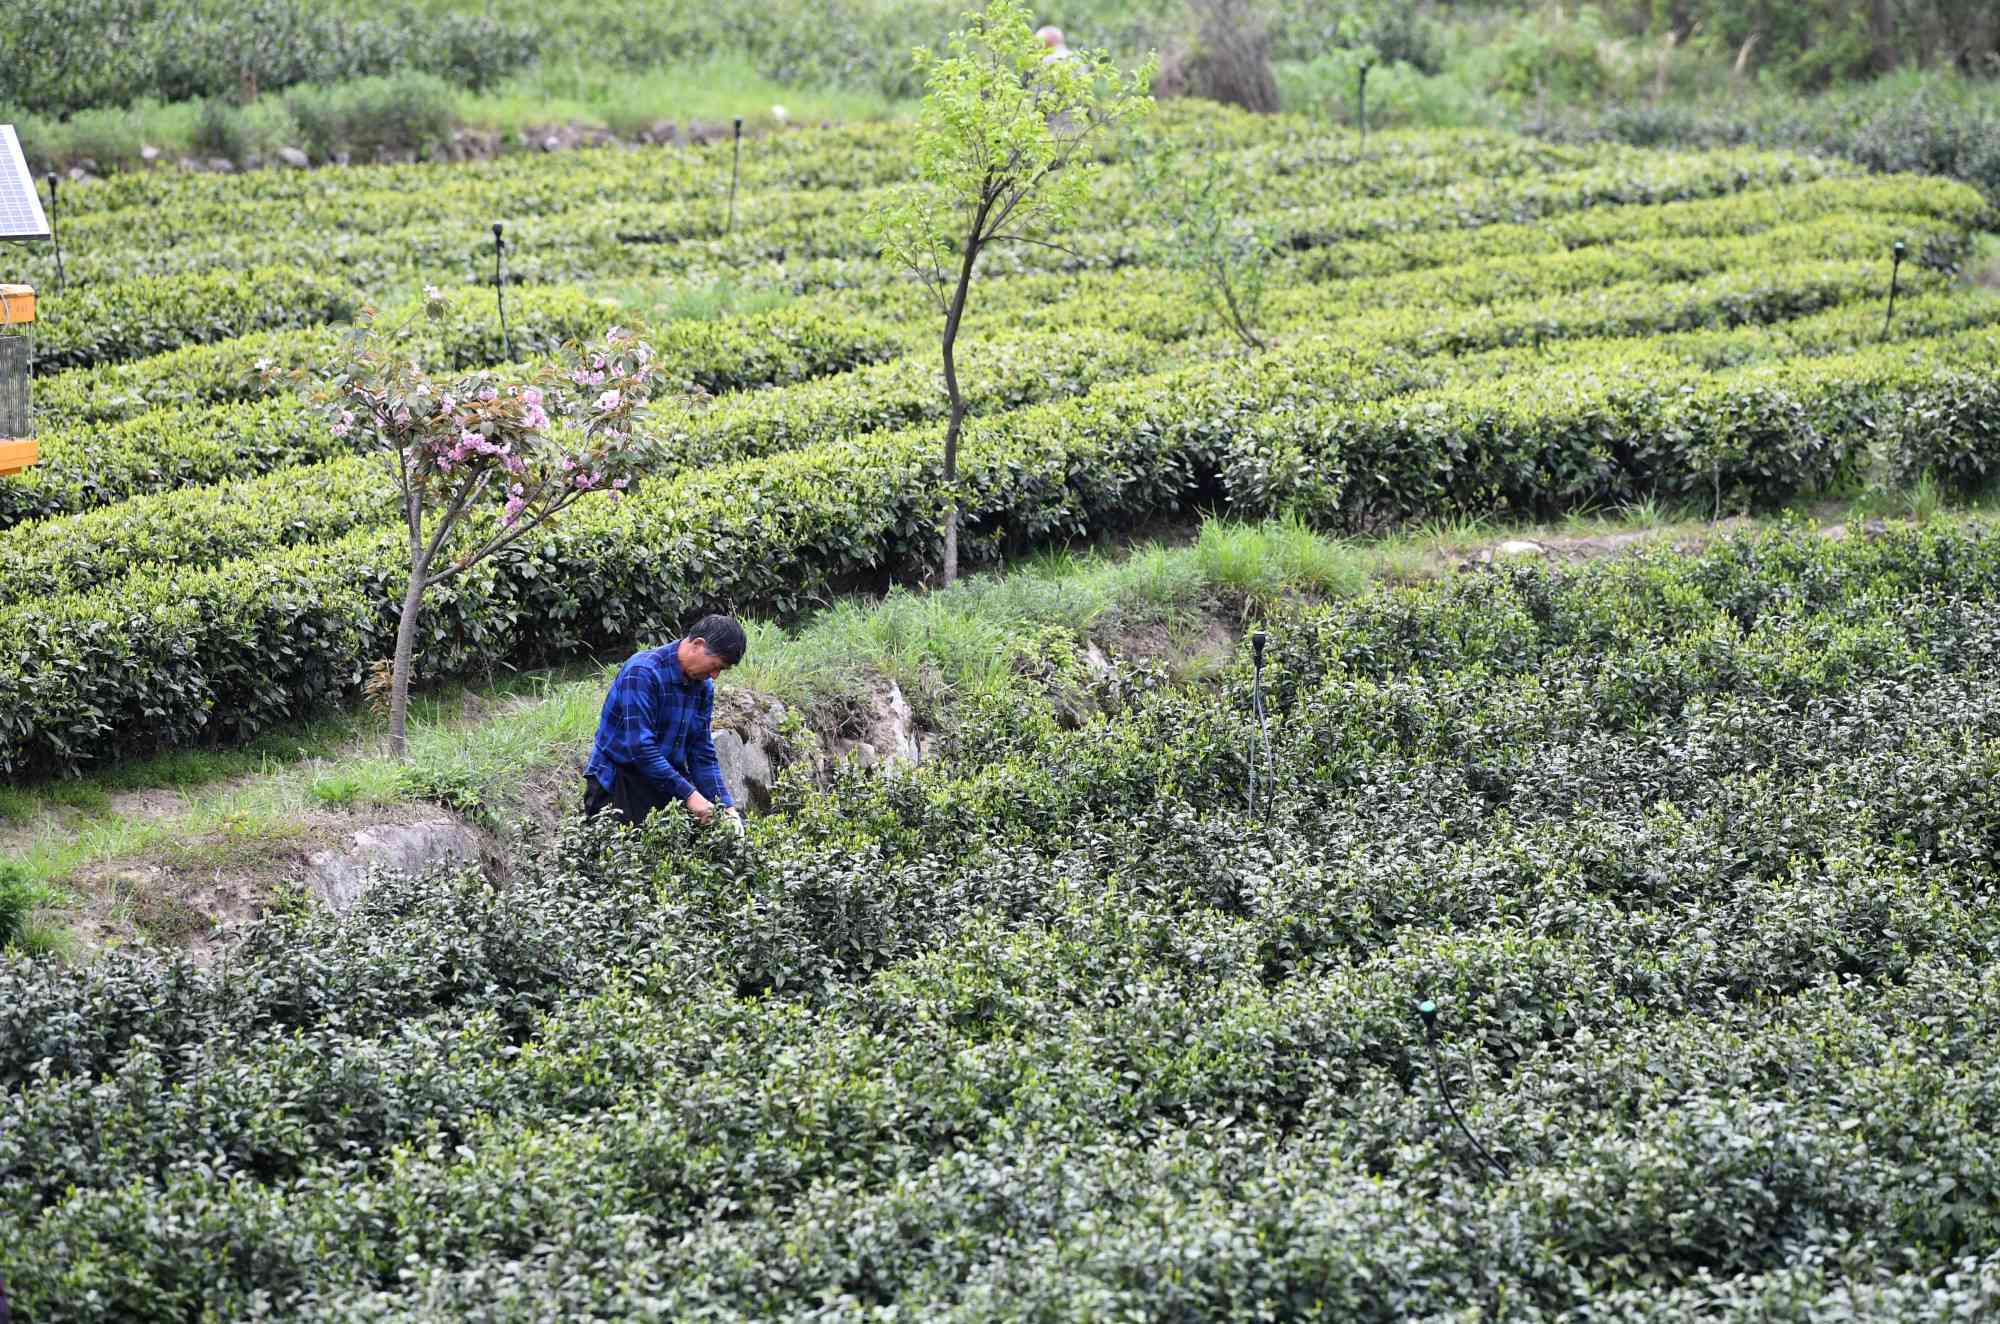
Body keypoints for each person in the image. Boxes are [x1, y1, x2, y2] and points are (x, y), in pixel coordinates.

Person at [583, 614, 747, 832]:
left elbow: (701, 752)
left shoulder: (702, 686)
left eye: (721, 670)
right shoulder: (643, 672)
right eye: (715, 665)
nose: (715, 675)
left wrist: (726, 806)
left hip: (663, 780)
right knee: (621, 859)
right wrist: (691, 796)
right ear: (698, 644)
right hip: (619, 781)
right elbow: (641, 749)